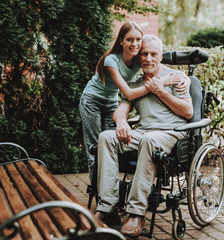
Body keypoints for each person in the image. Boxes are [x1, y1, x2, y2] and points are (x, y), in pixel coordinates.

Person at [95, 34, 193, 237]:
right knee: (106, 137)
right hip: (145, 132)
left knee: (149, 140)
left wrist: (160, 91)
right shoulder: (135, 83)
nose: (148, 58)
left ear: (160, 56)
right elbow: (121, 109)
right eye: (144, 54)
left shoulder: (176, 78)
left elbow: (188, 112)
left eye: (153, 54)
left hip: (171, 134)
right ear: (139, 57)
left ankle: (136, 213)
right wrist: (121, 121)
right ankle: (107, 207)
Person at [79, 22, 190, 182]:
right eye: (130, 39)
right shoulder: (111, 60)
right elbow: (129, 93)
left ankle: (112, 188)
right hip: (92, 101)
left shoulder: (140, 59)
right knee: (95, 147)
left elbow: (162, 67)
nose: (135, 44)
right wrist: (160, 84)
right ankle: (97, 189)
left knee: (111, 144)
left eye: (138, 39)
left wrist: (186, 78)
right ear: (121, 41)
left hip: (110, 102)